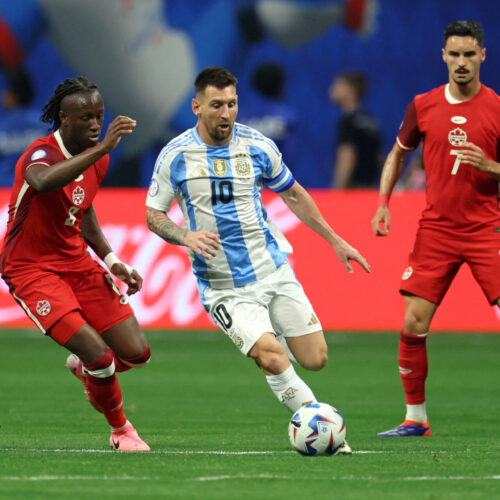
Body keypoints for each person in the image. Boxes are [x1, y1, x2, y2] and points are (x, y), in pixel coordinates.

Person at [146, 66, 371, 454]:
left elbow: (295, 194)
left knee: (315, 358)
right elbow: (153, 214)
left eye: (232, 104)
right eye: (216, 105)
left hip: (272, 270)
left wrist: (335, 240)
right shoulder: (175, 156)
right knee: (273, 356)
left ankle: (270, 345)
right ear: (196, 106)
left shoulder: (257, 146)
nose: (226, 113)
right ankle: (325, 433)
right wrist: (185, 235)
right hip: (223, 287)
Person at [0, 76, 152, 451]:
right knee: (100, 356)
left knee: (137, 353)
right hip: (30, 268)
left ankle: (88, 372)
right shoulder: (40, 154)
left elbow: (82, 212)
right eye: (86, 118)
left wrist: (112, 259)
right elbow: (44, 182)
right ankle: (121, 431)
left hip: (76, 261)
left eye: (99, 116)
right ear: (64, 120)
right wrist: (101, 150)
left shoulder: (97, 160)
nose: (96, 125)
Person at [371, 21, 500, 437]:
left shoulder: (497, 108)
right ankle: (415, 418)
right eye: (454, 54)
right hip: (438, 231)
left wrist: (490, 166)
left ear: (483, 55)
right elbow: (397, 154)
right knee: (413, 322)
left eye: (469, 54)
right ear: (443, 56)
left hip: (488, 229)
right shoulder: (423, 105)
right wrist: (383, 204)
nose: (461, 62)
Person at [329, 70, 383, 188]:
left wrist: (337, 189)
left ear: (352, 91)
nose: (333, 88)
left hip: (352, 189)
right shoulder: (372, 121)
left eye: (338, 85)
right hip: (369, 189)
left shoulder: (348, 122)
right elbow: (379, 158)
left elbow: (347, 156)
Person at [0, 67, 47, 187]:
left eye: (6, 93)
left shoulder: (3, 127)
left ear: (13, 96)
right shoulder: (45, 126)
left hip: (5, 192)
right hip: (37, 190)